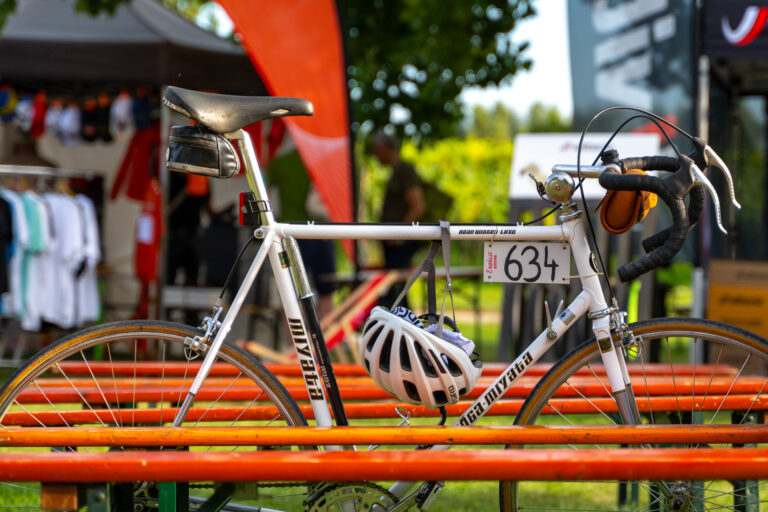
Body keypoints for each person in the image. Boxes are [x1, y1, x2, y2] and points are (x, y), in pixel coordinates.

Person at [370, 131, 426, 306]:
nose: (375, 154)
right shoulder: (396, 172)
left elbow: (418, 206)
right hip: (394, 244)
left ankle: (401, 322)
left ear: (386, 148)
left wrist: (399, 235)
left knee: (395, 292)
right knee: (396, 292)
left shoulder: (404, 170)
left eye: (376, 149)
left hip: (400, 244)